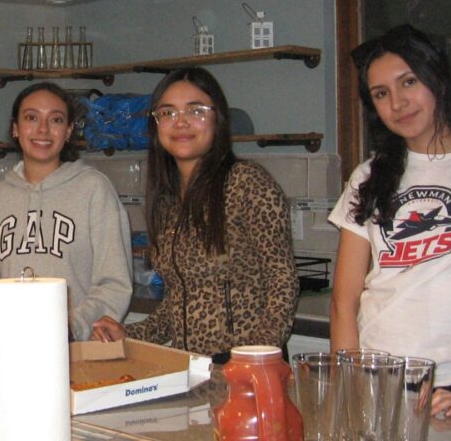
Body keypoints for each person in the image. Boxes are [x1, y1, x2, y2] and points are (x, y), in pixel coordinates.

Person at [328, 25, 451, 416]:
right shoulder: (368, 175)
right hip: (377, 378)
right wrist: (348, 386)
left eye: (408, 82)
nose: (398, 102)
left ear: (436, 78)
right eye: (381, 94)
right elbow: (344, 300)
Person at [93, 67, 298, 361]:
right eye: (167, 113)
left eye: (196, 110)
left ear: (218, 119)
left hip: (246, 370)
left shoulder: (246, 183)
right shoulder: (167, 200)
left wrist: (255, 359)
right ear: (156, 125)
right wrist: (130, 334)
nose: (181, 122)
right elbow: (178, 302)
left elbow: (283, 281)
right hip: (194, 370)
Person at [0, 82, 133, 341]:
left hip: (77, 352)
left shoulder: (94, 190)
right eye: (31, 118)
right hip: (9, 349)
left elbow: (114, 282)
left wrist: (68, 327)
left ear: (68, 131)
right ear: (15, 128)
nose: (43, 129)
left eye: (55, 120)